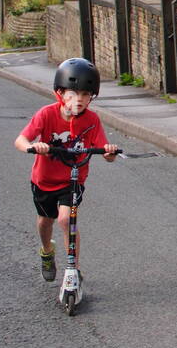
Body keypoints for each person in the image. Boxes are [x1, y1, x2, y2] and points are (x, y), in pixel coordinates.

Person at [13, 58, 119, 282]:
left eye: (85, 94)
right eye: (73, 93)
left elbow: (105, 153)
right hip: (44, 180)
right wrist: (33, 146)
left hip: (73, 180)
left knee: (65, 219)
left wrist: (109, 152)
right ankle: (46, 251)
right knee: (45, 220)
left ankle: (73, 270)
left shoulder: (92, 120)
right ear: (60, 93)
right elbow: (20, 140)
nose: (79, 99)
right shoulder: (46, 114)